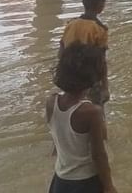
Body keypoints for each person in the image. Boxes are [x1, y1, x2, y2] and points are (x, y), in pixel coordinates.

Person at [47, 43, 117, 193]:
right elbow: (99, 155)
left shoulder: (51, 101)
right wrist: (109, 186)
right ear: (92, 77)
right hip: (86, 183)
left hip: (60, 180)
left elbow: (57, 139)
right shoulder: (91, 112)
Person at [60, 0, 110, 106]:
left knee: (72, 105)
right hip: (90, 79)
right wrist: (105, 86)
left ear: (83, 2)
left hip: (69, 75)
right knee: (95, 109)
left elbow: (61, 52)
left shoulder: (70, 24)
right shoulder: (100, 30)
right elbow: (101, 62)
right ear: (101, 5)